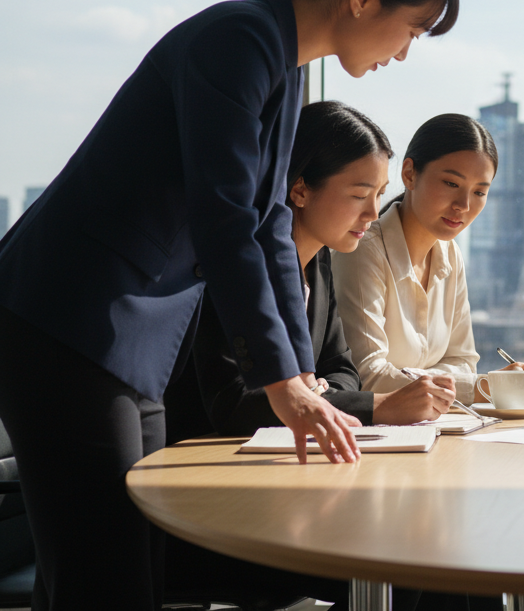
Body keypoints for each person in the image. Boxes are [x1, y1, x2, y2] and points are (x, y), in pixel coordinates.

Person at [0, 0, 459, 609]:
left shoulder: (281, 62)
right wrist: (284, 384)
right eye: (413, 29)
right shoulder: (236, 40)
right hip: (70, 320)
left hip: (131, 338)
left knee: (131, 570)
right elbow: (226, 219)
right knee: (103, 575)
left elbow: (271, 222)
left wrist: (298, 373)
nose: (404, 51)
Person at [163, 100, 488, 611]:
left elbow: (339, 368)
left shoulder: (321, 266)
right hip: (218, 509)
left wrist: (316, 394)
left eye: (379, 195)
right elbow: (232, 406)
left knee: (459, 551)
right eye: (361, 195)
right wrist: (371, 406)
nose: (372, 213)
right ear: (300, 188)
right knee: (416, 557)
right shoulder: (238, 277)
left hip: (288, 484)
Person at [333, 114, 524, 402]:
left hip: (434, 426)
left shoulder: (449, 254)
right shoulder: (363, 251)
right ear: (409, 173)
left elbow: (463, 360)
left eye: (480, 192)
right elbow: (368, 375)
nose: (464, 205)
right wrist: (485, 386)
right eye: (450, 183)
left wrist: (428, 379)